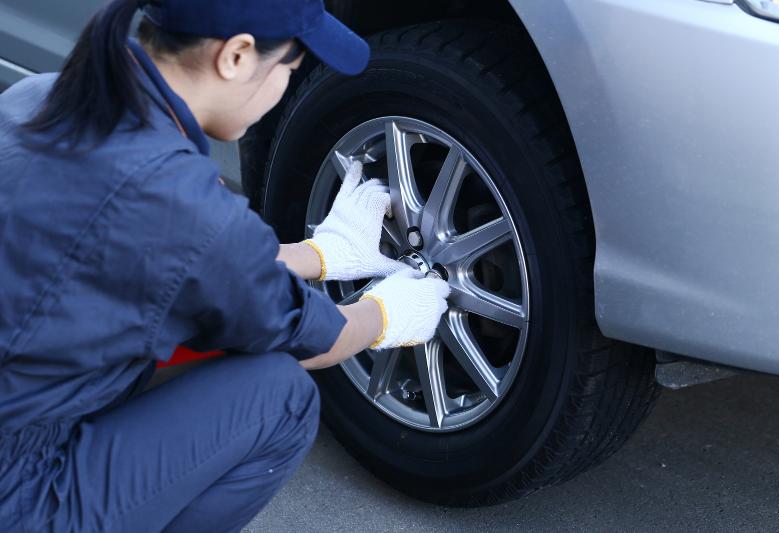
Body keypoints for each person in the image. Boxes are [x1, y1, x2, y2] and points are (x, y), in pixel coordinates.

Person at [0, 0, 450, 531]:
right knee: (281, 397)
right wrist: (389, 313)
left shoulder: (40, 97)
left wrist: (320, 255)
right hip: (21, 491)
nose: (286, 83)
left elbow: (170, 257)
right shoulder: (174, 198)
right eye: (290, 66)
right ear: (236, 56)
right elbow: (314, 339)